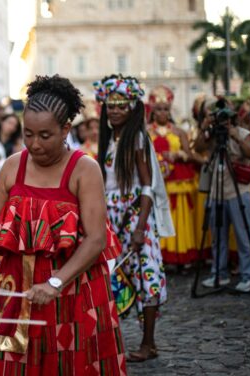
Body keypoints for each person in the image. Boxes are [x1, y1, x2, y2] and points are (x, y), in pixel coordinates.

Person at [0, 75, 126, 375]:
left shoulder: (84, 169)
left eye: (45, 136)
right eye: (28, 134)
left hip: (73, 289)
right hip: (20, 289)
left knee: (71, 362)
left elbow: (96, 240)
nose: (35, 145)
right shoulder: (12, 166)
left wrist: (55, 282)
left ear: (65, 129)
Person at [95, 75, 173, 362]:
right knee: (114, 278)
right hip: (111, 218)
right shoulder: (110, 140)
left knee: (146, 275)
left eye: (120, 106)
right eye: (110, 106)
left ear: (132, 108)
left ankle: (148, 343)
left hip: (136, 217)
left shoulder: (137, 138)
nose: (114, 110)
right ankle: (110, 340)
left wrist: (140, 227)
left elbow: (147, 186)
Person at [193, 99, 250, 292]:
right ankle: (219, 273)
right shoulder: (212, 134)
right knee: (217, 236)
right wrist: (204, 127)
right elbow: (197, 148)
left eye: (226, 113)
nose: (223, 118)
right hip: (216, 192)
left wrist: (235, 136)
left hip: (239, 191)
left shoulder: (244, 133)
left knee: (244, 234)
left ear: (233, 114)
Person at [147, 85, 199, 267]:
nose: (162, 113)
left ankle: (182, 255)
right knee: (158, 216)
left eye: (165, 109)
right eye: (159, 109)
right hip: (155, 180)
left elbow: (191, 155)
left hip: (178, 179)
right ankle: (161, 256)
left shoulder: (179, 132)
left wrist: (178, 155)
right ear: (153, 110)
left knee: (180, 217)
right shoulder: (146, 131)